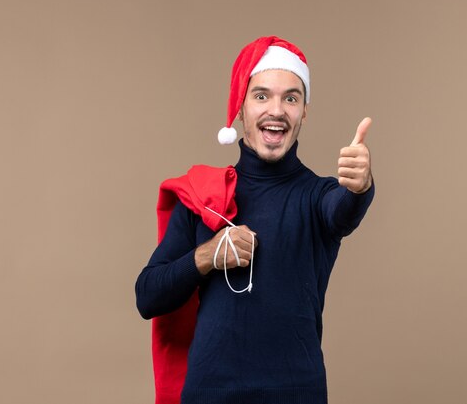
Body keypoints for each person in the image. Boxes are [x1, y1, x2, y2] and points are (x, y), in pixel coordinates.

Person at [136, 35, 374, 404]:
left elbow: (343, 210)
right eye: (261, 96)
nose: (276, 110)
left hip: (297, 394)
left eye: (291, 98)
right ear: (241, 108)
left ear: (304, 111)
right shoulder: (204, 196)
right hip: (209, 394)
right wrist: (208, 255)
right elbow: (147, 296)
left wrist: (360, 186)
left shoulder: (318, 196)